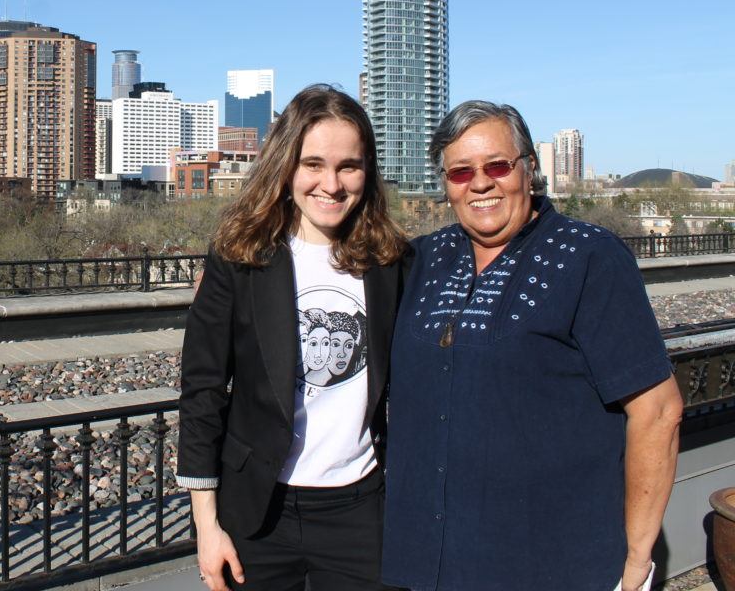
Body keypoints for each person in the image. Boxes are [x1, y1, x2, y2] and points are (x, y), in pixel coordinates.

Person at [381, 101, 683, 591]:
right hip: (425, 562)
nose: (480, 183)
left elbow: (659, 411)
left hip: (554, 563)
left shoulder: (590, 257)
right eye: (460, 172)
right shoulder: (423, 259)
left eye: (497, 165)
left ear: (529, 169)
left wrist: (635, 564)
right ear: (446, 183)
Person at [177, 84, 410, 591]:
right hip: (259, 511)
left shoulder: (392, 262)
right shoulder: (240, 258)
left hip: (361, 508)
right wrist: (207, 526)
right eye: (314, 164)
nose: (332, 183)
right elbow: (202, 392)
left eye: (349, 165)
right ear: (286, 166)